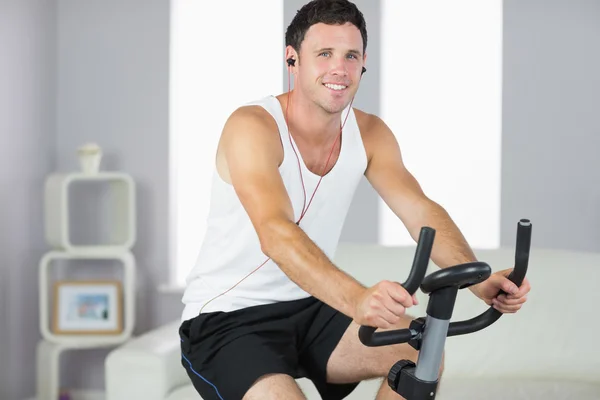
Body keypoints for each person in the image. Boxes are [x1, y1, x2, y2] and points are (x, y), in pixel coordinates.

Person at [178, 1, 531, 399]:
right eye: (324, 54)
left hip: (309, 305)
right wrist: (356, 298)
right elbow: (275, 233)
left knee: (423, 352)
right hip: (228, 317)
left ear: (364, 63)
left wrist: (478, 279)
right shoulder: (252, 127)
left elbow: (420, 210)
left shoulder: (370, 132)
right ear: (292, 60)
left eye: (351, 55)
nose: (339, 69)